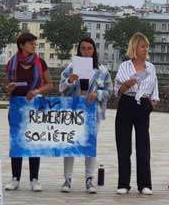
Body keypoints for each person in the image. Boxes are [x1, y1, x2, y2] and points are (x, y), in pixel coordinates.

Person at [59, 37, 113, 193]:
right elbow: (61, 88)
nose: (86, 51)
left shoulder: (102, 70)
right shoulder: (70, 67)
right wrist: (70, 80)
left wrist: (98, 95)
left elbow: (109, 91)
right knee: (70, 145)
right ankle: (67, 179)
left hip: (92, 112)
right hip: (74, 110)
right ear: (79, 50)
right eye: (83, 48)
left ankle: (90, 179)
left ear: (94, 50)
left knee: (90, 146)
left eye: (89, 48)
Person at [6, 32, 53, 191]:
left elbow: (49, 84)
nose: (34, 46)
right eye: (31, 43)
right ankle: (15, 178)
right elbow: (7, 86)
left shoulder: (40, 62)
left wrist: (37, 90)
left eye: (35, 43)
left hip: (34, 104)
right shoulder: (12, 63)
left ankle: (34, 178)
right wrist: (10, 87)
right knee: (16, 141)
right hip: (17, 105)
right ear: (22, 45)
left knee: (34, 141)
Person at [114, 32, 159, 195]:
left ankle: (145, 183)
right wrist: (126, 85)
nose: (145, 49)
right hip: (127, 102)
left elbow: (155, 88)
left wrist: (152, 102)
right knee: (124, 144)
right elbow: (117, 91)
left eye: (147, 46)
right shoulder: (124, 66)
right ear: (134, 47)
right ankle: (123, 183)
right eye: (142, 46)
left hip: (143, 105)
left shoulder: (151, 67)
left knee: (143, 144)